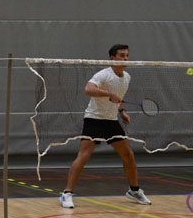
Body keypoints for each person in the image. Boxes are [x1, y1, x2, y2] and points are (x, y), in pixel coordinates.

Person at [60, 44, 151, 209]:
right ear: (112, 58)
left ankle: (134, 190)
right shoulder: (103, 75)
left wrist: (122, 111)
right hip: (94, 119)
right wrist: (109, 94)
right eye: (122, 55)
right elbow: (88, 89)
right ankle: (66, 193)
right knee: (84, 155)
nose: (125, 58)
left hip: (111, 120)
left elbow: (119, 97)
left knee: (128, 155)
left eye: (127, 55)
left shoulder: (127, 77)